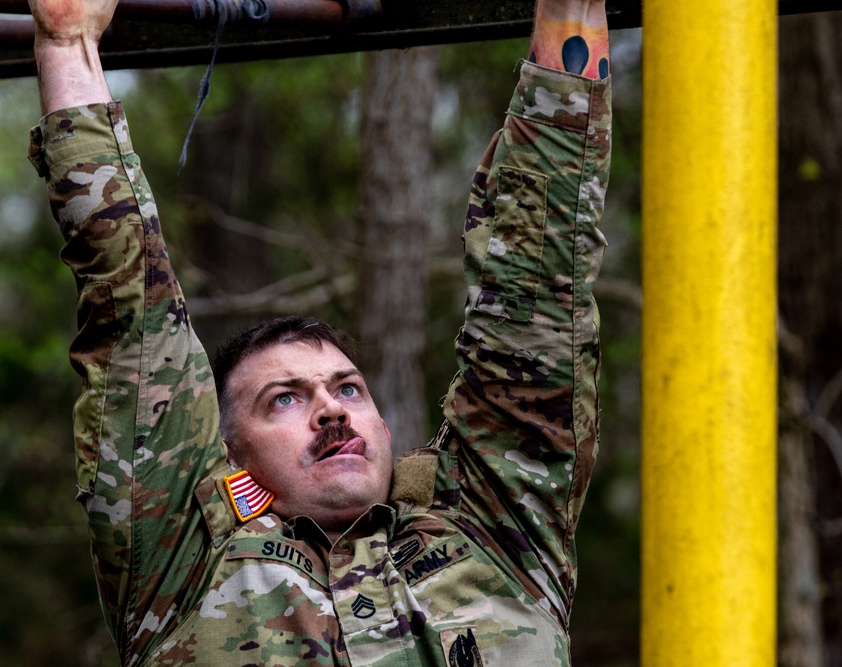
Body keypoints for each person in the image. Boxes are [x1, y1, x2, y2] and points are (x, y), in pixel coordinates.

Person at [27, 0, 611, 663]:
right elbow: (132, 314)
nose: (332, 409)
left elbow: (537, 285)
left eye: (349, 389)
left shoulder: (497, 530)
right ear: (229, 457)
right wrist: (65, 37)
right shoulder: (185, 564)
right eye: (284, 398)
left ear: (387, 429)